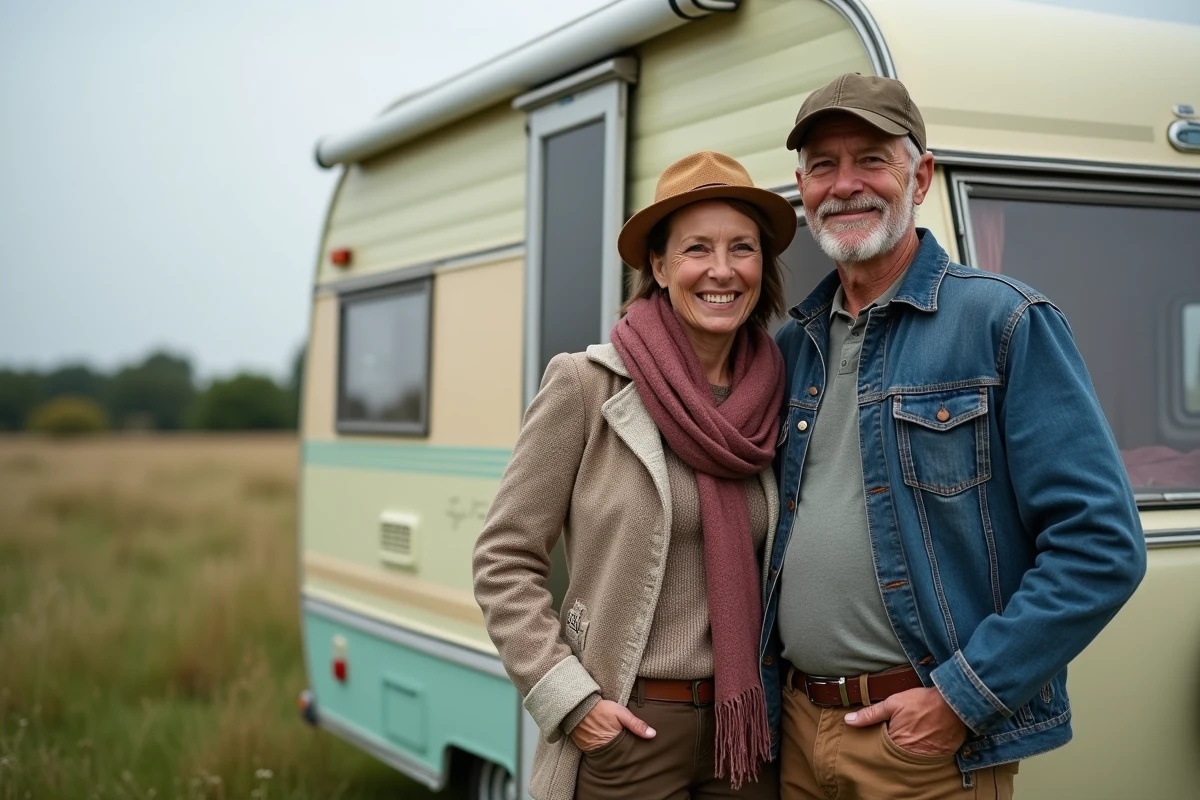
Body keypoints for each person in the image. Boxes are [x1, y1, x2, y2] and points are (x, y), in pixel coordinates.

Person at [759, 72, 1147, 800]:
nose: (845, 185)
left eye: (871, 159)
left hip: (922, 748)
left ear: (921, 175)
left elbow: (1102, 546)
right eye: (822, 165)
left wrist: (961, 699)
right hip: (798, 732)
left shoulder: (1003, 323)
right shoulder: (792, 347)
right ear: (802, 187)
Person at [473, 151, 796, 800]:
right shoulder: (586, 385)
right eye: (697, 249)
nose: (722, 270)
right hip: (630, 726)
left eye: (742, 248)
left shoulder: (778, 393)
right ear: (658, 265)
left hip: (746, 731)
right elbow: (502, 559)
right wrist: (571, 700)